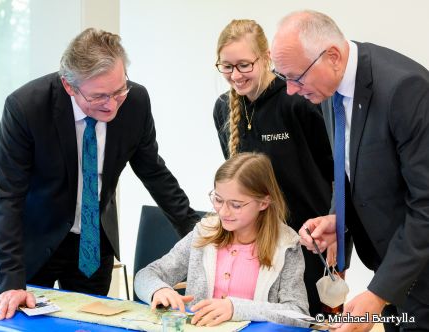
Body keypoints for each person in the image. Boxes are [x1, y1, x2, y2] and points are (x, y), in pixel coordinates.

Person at [0, 28, 199, 320]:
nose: (111, 104)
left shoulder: (135, 101)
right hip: (32, 242)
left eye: (119, 90)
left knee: (91, 324)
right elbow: (5, 199)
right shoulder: (26, 108)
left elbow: (154, 172)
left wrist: (198, 235)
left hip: (92, 244)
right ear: (69, 87)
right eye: (99, 96)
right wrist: (9, 282)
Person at [271, 10, 429, 331]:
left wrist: (379, 293)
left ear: (332, 56)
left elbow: (426, 205)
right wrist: (338, 220)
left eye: (296, 78)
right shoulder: (330, 87)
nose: (290, 90)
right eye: (282, 77)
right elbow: (349, 168)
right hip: (390, 266)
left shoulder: (405, 89)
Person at [213, 19, 337, 316]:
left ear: (266, 57)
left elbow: (339, 176)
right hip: (259, 248)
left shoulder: (299, 102)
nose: (235, 75)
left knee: (305, 320)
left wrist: (340, 241)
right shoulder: (223, 108)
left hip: (310, 245)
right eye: (226, 66)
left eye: (244, 65)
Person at [135, 152, 309, 327]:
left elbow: (299, 314)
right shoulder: (203, 233)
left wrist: (236, 308)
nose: (224, 212)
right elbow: (145, 275)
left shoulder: (287, 246)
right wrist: (158, 289)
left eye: (236, 205)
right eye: (218, 200)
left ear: (264, 202)